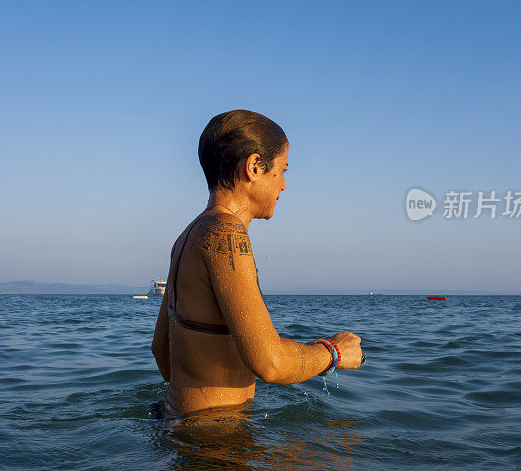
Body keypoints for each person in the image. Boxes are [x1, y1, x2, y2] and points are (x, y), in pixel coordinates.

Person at [152, 109, 365, 415]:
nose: (283, 186)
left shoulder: (189, 235)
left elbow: (161, 350)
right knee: (346, 457)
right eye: (282, 170)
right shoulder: (226, 234)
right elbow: (270, 363)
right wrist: (333, 352)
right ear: (254, 167)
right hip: (215, 444)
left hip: (174, 422)